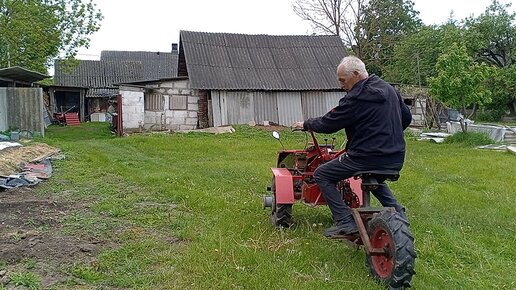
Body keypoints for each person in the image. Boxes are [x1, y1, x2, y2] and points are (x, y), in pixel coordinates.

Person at [293, 56, 412, 238]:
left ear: (356, 74)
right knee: (373, 175)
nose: (341, 85)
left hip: (364, 156)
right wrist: (387, 136)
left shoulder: (356, 97)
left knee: (322, 174)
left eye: (342, 80)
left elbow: (329, 123)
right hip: (394, 157)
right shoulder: (389, 90)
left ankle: (345, 221)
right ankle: (399, 214)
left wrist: (306, 124)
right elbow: (406, 118)